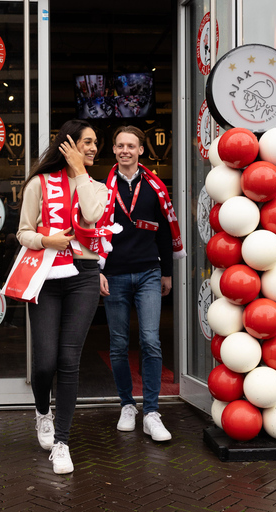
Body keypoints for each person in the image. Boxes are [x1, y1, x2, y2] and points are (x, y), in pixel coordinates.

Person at [16, 119, 108, 474]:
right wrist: (46, 241)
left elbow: (90, 216)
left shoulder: (96, 187)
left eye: (95, 143)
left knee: (69, 360)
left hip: (83, 275)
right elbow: (23, 233)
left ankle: (62, 442)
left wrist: (79, 172)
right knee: (44, 362)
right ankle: (42, 412)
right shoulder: (38, 184)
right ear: (67, 144)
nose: (93, 147)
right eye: (86, 141)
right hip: (45, 273)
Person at [98, 126, 185, 442]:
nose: (125, 150)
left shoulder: (154, 188)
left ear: (141, 151)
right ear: (114, 149)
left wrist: (166, 273)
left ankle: (151, 411)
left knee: (150, 340)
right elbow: (93, 231)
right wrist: (98, 270)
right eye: (120, 145)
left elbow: (163, 232)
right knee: (119, 345)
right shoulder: (101, 189)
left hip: (149, 272)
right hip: (115, 275)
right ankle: (126, 405)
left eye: (131, 146)